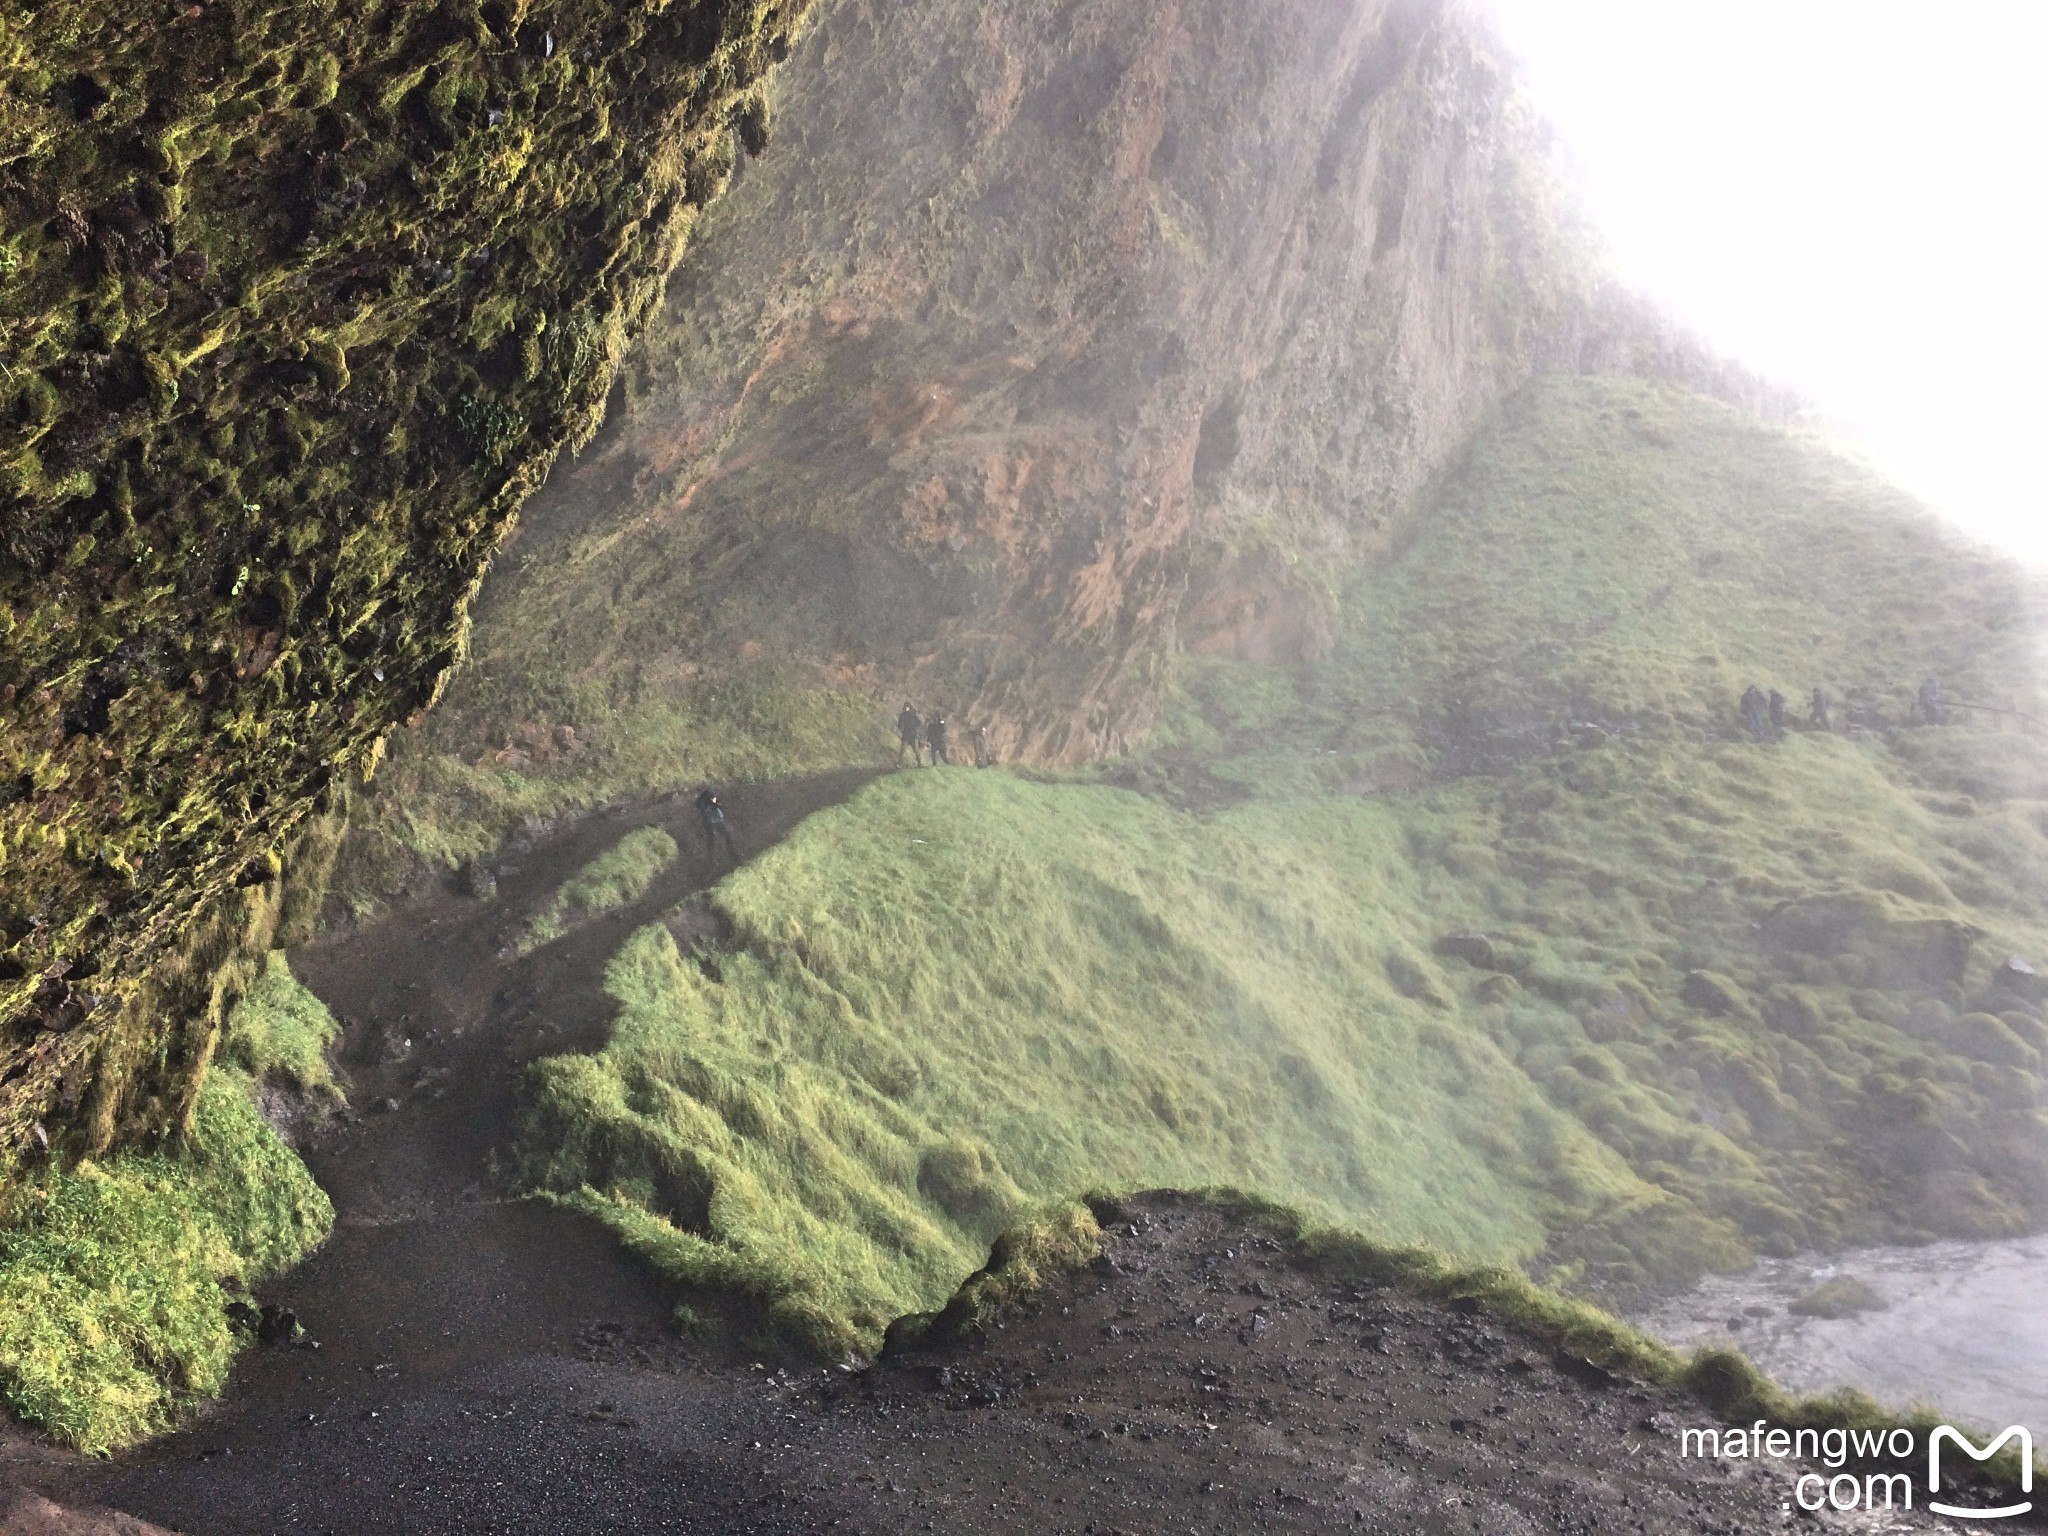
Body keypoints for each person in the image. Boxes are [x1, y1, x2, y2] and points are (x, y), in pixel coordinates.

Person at [695, 785, 738, 864]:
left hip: (712, 821)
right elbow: (715, 803)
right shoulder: (705, 799)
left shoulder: (703, 800)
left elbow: (716, 803)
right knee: (716, 838)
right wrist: (715, 802)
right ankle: (717, 858)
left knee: (717, 838)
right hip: (712, 821)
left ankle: (730, 854)